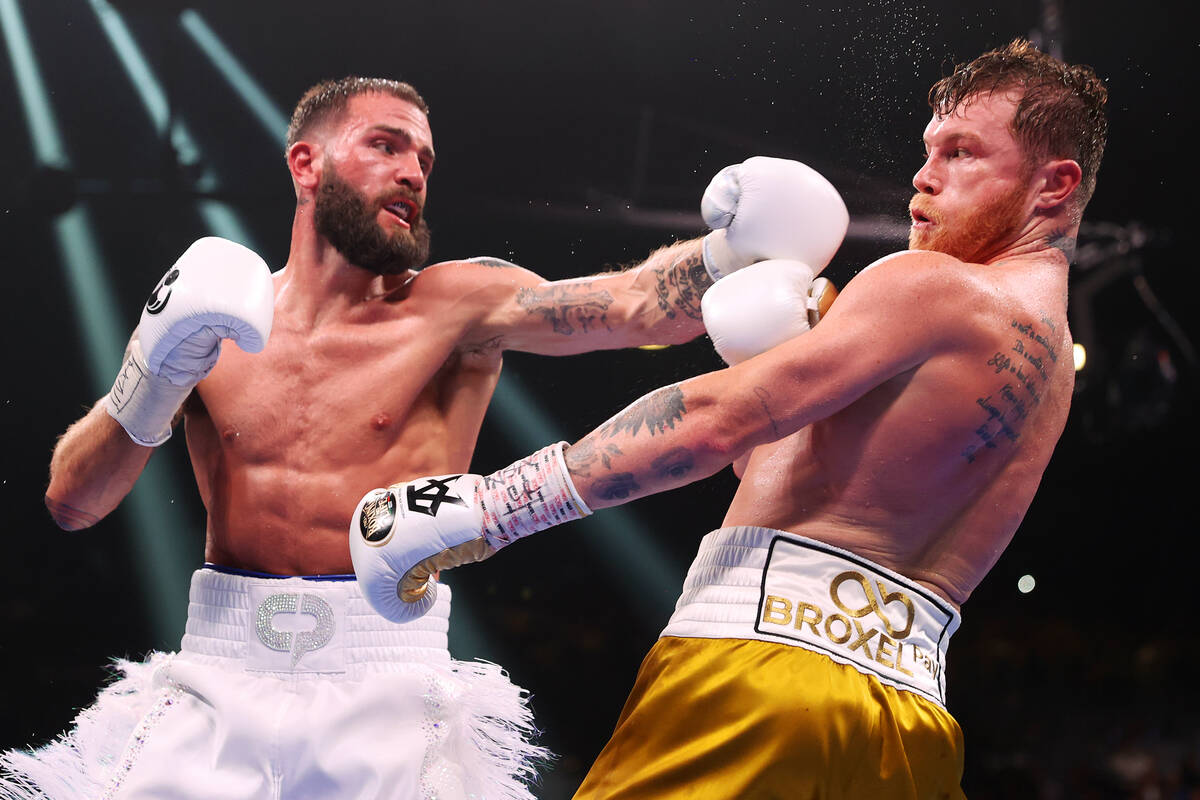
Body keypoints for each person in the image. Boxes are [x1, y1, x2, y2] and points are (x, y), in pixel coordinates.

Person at [2, 75, 848, 800]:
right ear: (307, 163)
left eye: (424, 161)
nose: (413, 173)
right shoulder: (213, 317)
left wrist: (730, 247)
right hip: (214, 674)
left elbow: (629, 308)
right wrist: (151, 375)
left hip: (386, 680)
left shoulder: (457, 305)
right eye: (386, 146)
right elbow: (73, 503)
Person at [350, 39, 1109, 798]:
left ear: (1054, 185)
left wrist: (490, 508)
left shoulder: (931, 285)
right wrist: (776, 352)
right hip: (909, 726)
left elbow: (714, 423)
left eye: (961, 151)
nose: (923, 174)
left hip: (760, 679)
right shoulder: (1049, 368)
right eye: (928, 148)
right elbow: (792, 470)